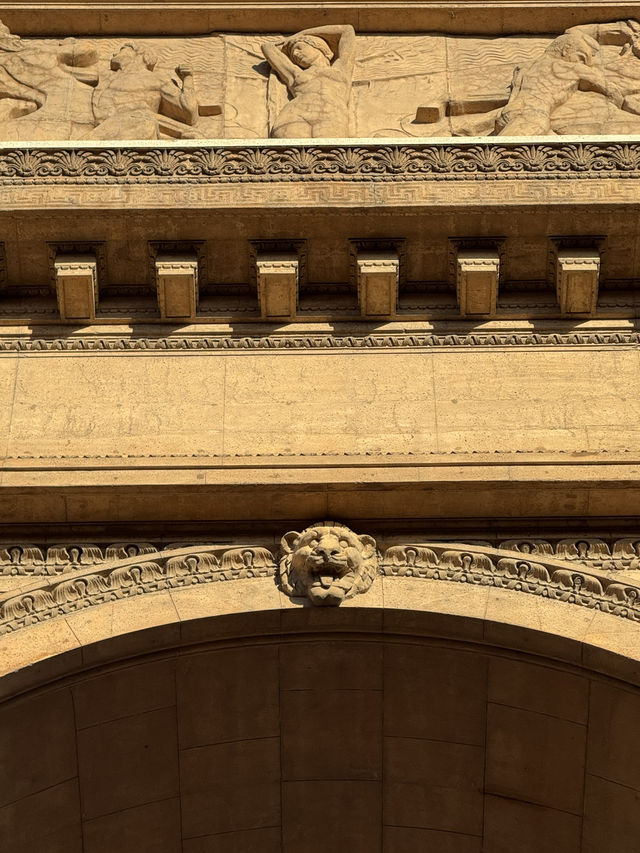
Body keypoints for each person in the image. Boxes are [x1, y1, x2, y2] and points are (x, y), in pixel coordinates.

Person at [495, 30, 625, 136]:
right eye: (581, 58)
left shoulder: (523, 67)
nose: (582, 64)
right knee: (500, 158)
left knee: (564, 151)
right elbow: (613, 91)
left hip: (508, 113)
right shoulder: (570, 67)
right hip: (532, 116)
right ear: (566, 50)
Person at [86, 43, 199, 140]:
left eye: (122, 49)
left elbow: (188, 110)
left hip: (135, 129)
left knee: (145, 121)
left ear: (140, 53)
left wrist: (187, 78)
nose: (114, 54)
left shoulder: (156, 78)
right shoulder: (106, 77)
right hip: (106, 131)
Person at [261, 24, 356, 138]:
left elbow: (347, 30)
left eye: (299, 48)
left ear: (318, 48)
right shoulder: (296, 74)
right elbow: (267, 47)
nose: (296, 54)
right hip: (294, 115)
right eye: (293, 53)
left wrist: (300, 34)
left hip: (331, 114)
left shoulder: (341, 68)